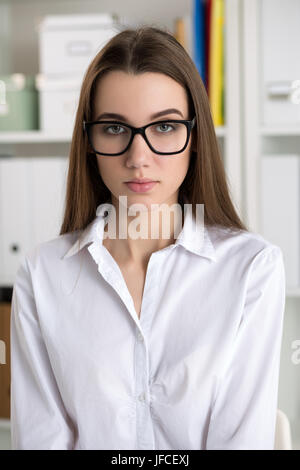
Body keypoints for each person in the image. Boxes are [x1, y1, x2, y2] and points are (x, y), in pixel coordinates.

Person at [10, 25, 286, 450]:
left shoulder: (252, 269)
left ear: (194, 139)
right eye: (115, 129)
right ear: (88, 140)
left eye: (164, 128)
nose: (139, 159)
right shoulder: (42, 273)